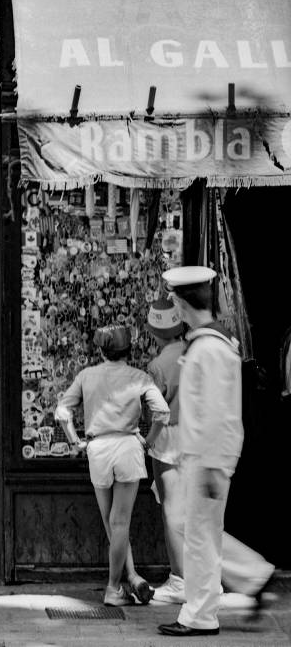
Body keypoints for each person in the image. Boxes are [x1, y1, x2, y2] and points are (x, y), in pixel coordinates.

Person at [157, 266, 274, 638]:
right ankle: (245, 581)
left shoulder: (207, 348)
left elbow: (213, 411)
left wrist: (206, 464)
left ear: (179, 302)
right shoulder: (213, 344)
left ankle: (201, 613)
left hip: (205, 457)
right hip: (207, 456)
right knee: (198, 532)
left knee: (199, 536)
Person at [55, 324, 169, 607]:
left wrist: (74, 441)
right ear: (128, 350)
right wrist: (149, 442)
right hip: (128, 446)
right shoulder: (139, 376)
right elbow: (162, 412)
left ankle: (128, 580)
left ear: (101, 350)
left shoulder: (86, 375)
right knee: (119, 523)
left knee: (111, 522)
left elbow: (61, 411)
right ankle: (115, 585)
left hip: (98, 448)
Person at [143, 295, 187, 604]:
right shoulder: (194, 352)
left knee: (172, 509)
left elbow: (155, 410)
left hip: (169, 439)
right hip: (196, 436)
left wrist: (147, 440)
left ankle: (180, 578)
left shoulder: (158, 365)